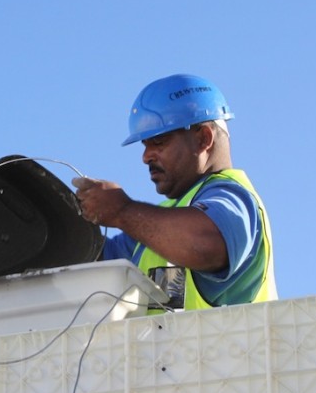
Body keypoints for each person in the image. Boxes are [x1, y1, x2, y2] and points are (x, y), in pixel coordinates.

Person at [72, 74, 277, 309]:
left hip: (232, 346)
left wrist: (122, 210)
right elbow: (94, 257)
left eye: (158, 141)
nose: (146, 156)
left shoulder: (233, 197)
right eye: (144, 145)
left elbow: (205, 245)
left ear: (203, 138)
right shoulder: (159, 224)